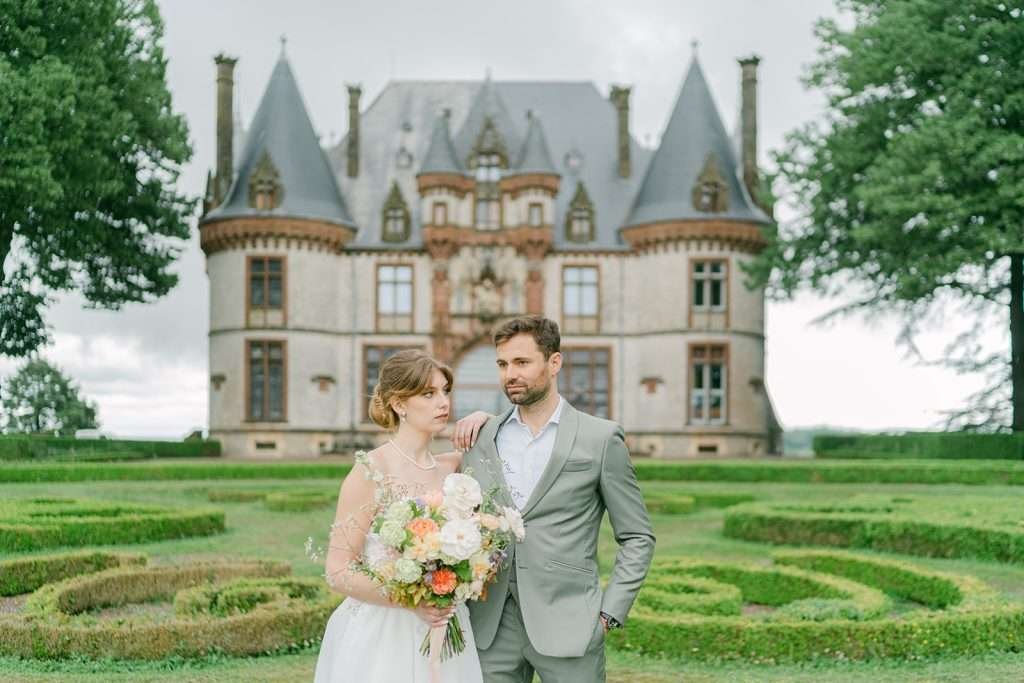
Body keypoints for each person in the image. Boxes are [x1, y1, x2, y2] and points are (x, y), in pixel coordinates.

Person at [452, 315, 656, 682]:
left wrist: (609, 613)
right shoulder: (481, 436)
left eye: (522, 362)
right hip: (490, 627)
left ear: (554, 362)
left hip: (571, 624)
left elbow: (637, 536)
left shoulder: (601, 439)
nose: (510, 374)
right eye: (502, 364)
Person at [314, 349, 483, 682]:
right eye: (428, 394)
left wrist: (482, 417)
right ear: (399, 404)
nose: (443, 402)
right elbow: (337, 570)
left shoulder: (452, 467)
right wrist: (409, 602)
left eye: (445, 391)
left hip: (446, 623)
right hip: (382, 633)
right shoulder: (371, 470)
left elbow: (504, 437)